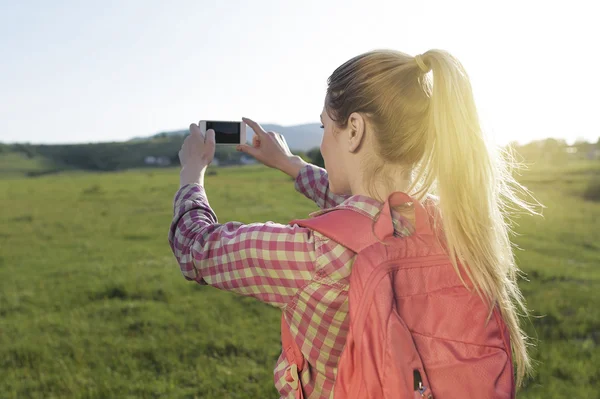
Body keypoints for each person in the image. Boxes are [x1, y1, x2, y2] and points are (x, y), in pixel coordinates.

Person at [169, 49, 537, 398]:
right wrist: (290, 164)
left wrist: (191, 173)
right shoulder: (452, 224)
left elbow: (195, 247)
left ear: (355, 129)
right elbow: (367, 214)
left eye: (325, 126)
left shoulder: (313, 255)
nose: (324, 143)